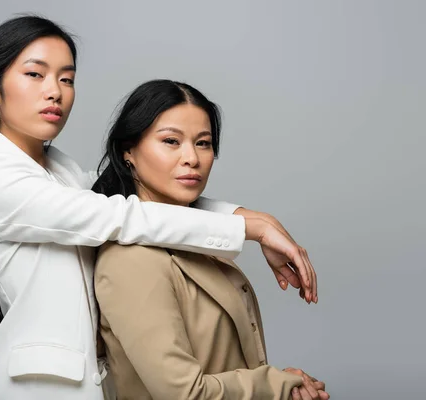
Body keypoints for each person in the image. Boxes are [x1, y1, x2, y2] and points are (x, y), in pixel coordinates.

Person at [0, 15, 318, 400]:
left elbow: (136, 196)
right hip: (32, 388)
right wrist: (250, 230)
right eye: (35, 75)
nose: (55, 91)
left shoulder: (60, 170)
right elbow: (122, 215)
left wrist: (252, 219)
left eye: (66, 79)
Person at [93, 79, 329, 400]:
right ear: (128, 152)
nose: (192, 158)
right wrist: (276, 384)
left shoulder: (203, 239)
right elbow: (185, 393)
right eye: (172, 141)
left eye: (202, 143)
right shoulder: (131, 259)